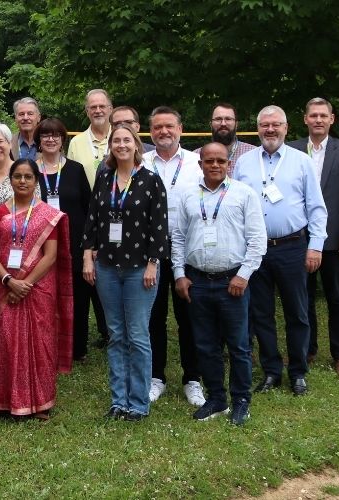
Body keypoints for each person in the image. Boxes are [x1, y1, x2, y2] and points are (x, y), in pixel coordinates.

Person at [171, 142, 266, 426]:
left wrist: (244, 275)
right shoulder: (187, 195)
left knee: (238, 346)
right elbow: (177, 237)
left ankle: (241, 401)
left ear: (229, 164)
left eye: (220, 161)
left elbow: (257, 240)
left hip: (232, 282)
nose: (215, 165)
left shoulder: (244, 195)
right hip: (197, 281)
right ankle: (216, 398)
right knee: (205, 345)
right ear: (199, 164)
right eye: (209, 161)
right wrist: (178, 274)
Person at [235, 105, 327, 396]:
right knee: (260, 313)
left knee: (296, 312)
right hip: (256, 250)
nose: (270, 130)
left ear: (286, 128)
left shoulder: (301, 162)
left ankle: (298, 371)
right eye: (265, 125)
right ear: (258, 128)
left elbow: (316, 207)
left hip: (292, 247)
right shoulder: (245, 163)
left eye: (276, 125)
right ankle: (272, 370)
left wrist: (315, 246)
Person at [82, 124, 168, 422]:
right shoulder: (104, 178)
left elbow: (159, 227)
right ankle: (119, 400)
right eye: (116, 140)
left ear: (136, 145)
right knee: (116, 335)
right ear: (111, 146)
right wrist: (87, 257)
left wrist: (153, 264)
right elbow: (92, 219)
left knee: (138, 335)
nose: (121, 145)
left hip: (138, 270)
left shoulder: (151, 181)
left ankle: (139, 402)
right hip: (106, 266)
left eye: (126, 140)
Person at [0, 159, 73, 419]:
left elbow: (51, 255)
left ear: (36, 181)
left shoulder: (47, 213)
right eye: (17, 176)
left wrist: (26, 283)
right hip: (4, 286)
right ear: (10, 180)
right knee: (5, 340)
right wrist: (8, 282)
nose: (22, 181)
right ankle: (3, 400)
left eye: (28, 177)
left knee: (39, 342)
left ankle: (40, 401)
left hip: (38, 288)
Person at [288, 98, 339, 377]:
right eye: (313, 115)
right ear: (305, 119)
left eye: (323, 116)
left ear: (332, 119)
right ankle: (307, 349)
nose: (318, 120)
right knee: (302, 298)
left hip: (334, 240)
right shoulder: (293, 149)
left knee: (337, 298)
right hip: (299, 238)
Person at [143, 106, 203, 407]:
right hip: (149, 252)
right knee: (153, 317)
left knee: (188, 316)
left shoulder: (196, 163)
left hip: (188, 250)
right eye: (157, 127)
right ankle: (156, 377)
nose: (163, 132)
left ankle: (193, 379)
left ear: (180, 128)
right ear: (150, 131)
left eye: (169, 126)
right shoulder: (141, 163)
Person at [33, 118, 93, 361]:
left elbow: (88, 209)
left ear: (62, 139)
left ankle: (77, 348)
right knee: (44, 295)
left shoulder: (76, 169)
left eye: (56, 134)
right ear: (38, 140)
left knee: (78, 295)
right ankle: (46, 345)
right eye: (45, 135)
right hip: (39, 243)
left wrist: (90, 245)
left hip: (74, 241)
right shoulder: (29, 169)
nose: (50, 139)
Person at [68, 89, 113, 188]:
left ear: (110, 109)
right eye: (93, 107)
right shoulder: (76, 142)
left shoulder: (120, 139)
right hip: (86, 202)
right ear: (87, 112)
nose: (98, 111)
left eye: (102, 106)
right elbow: (71, 178)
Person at [194, 103, 256, 174]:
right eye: (218, 119)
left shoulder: (253, 154)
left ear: (236, 124)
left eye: (228, 119)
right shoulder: (196, 156)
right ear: (210, 125)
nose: (223, 123)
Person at [10, 97, 41, 161]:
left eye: (30, 114)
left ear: (38, 117)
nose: (25, 118)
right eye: (21, 114)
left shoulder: (50, 143)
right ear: (15, 119)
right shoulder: (7, 142)